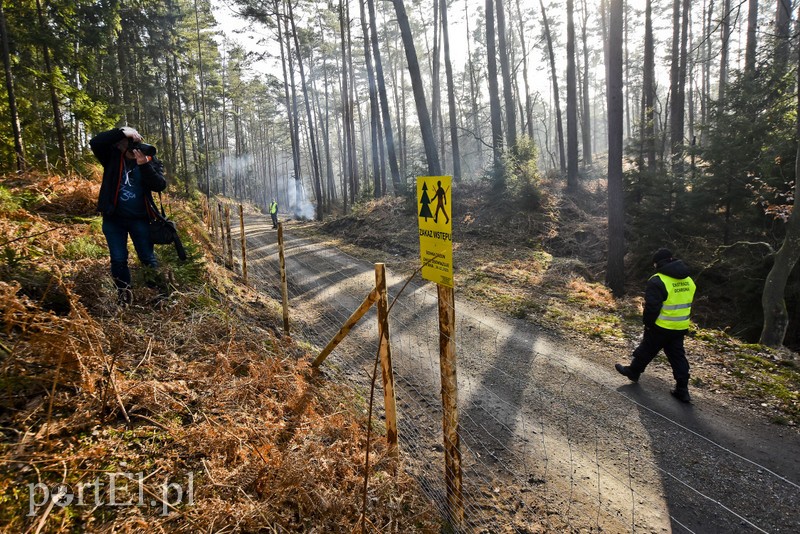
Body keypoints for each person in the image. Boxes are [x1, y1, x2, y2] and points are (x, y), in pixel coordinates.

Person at [89, 126, 167, 306]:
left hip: (140, 219)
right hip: (114, 219)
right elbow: (95, 142)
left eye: (137, 144)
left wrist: (145, 165)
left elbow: (160, 185)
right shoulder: (111, 159)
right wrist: (122, 132)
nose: (135, 149)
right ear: (120, 146)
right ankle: (124, 297)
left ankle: (157, 296)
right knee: (118, 259)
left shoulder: (148, 159)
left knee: (147, 257)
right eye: (130, 144)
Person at [615, 248, 697, 403]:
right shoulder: (688, 280)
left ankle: (633, 372)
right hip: (680, 326)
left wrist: (648, 324)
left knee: (646, 349)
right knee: (678, 357)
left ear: (657, 263)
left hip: (661, 326)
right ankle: (682, 390)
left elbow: (652, 307)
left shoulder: (658, 280)